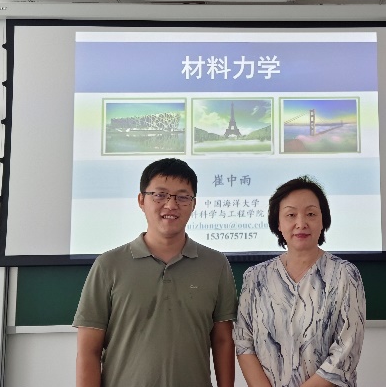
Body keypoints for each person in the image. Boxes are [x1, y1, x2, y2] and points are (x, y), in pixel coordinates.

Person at [73, 158, 237, 387]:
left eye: (182, 197)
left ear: (193, 204)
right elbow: (88, 351)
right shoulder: (108, 265)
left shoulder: (216, 264)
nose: (171, 205)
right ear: (141, 200)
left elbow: (222, 341)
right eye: (160, 195)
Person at [234, 176, 366, 387]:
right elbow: (244, 342)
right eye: (291, 215)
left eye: (311, 214)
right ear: (278, 223)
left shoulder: (345, 275)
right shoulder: (255, 278)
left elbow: (345, 353)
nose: (301, 223)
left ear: (323, 220)